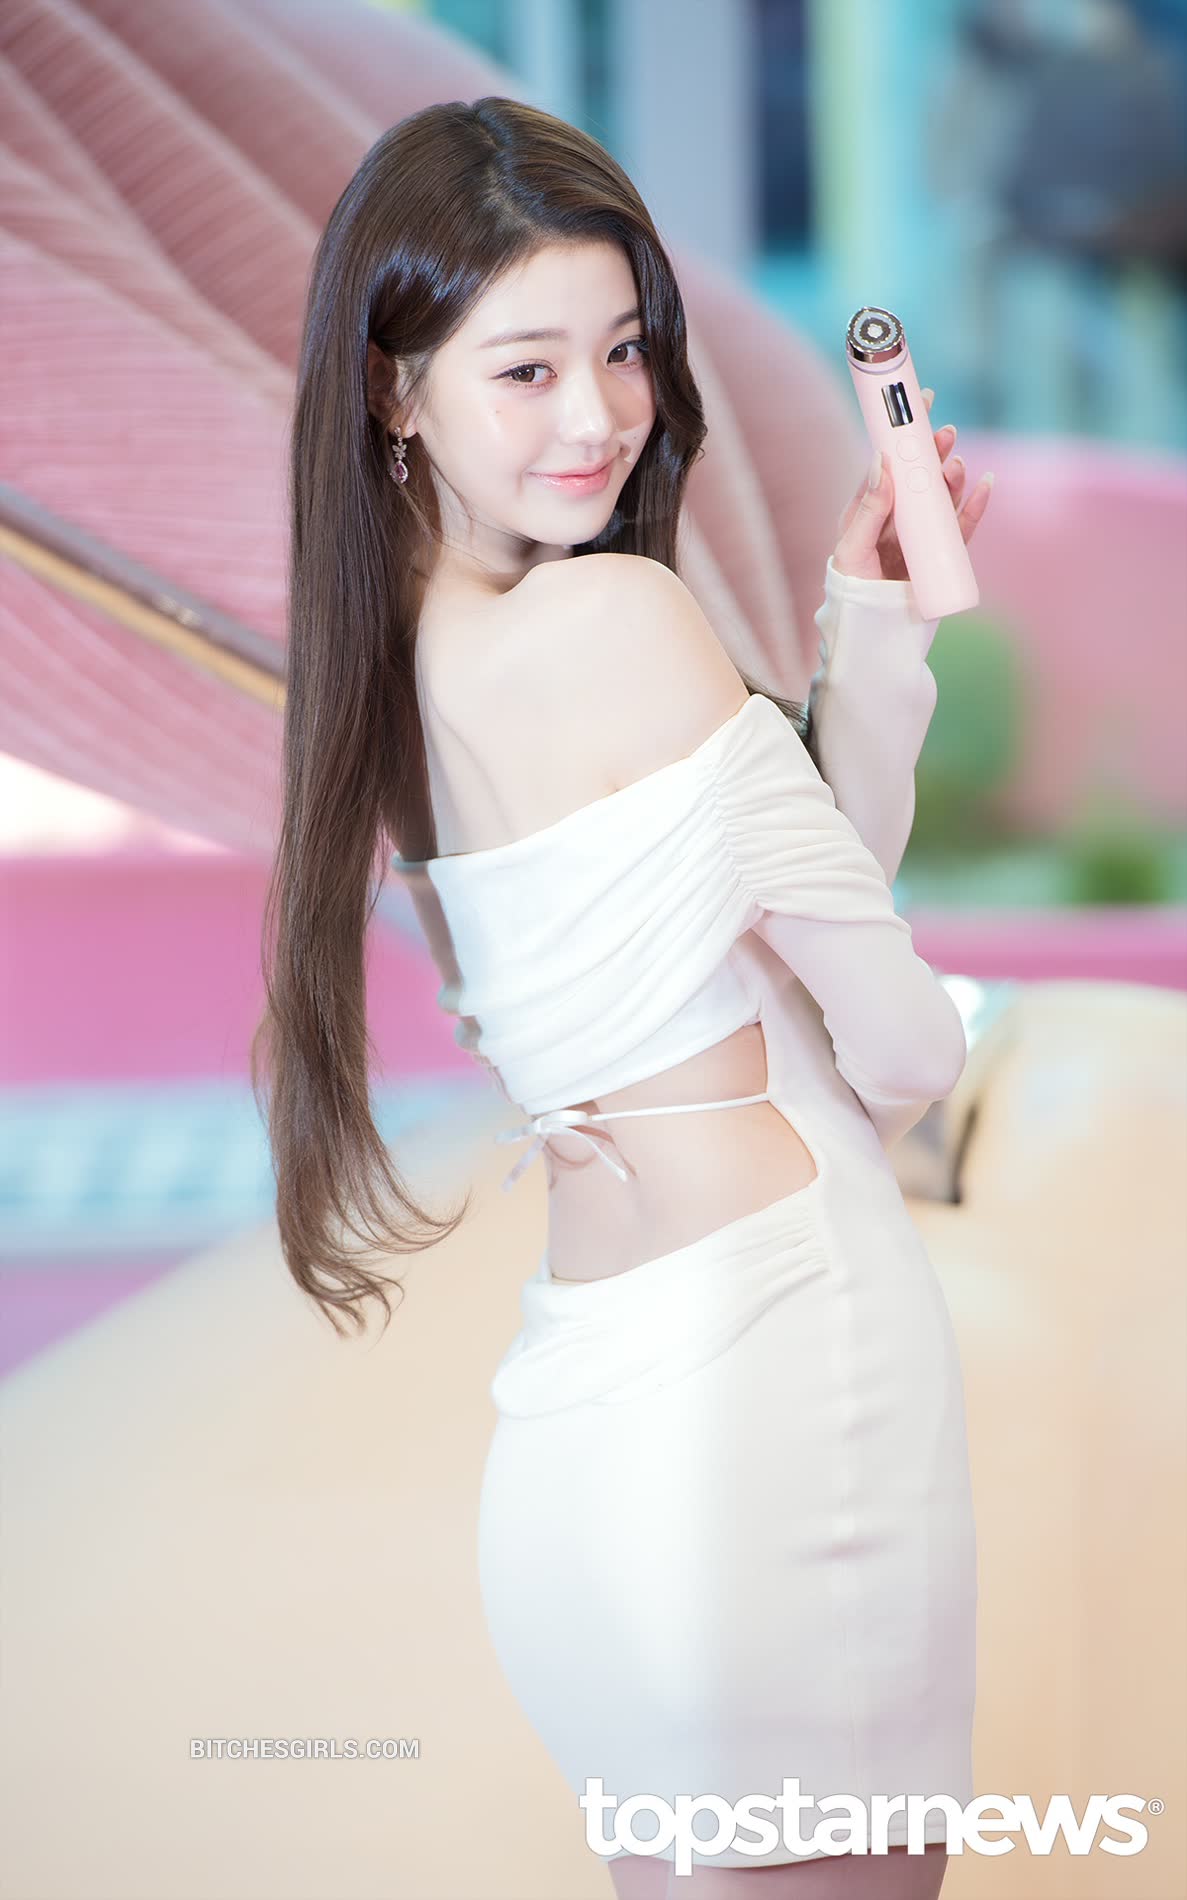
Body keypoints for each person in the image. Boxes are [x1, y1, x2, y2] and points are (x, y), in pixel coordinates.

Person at [252, 96, 994, 1896]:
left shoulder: (393, 690)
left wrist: (866, 636)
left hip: (593, 1443)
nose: (596, 415)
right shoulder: (617, 620)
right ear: (394, 387)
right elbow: (897, 1036)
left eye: (623, 349)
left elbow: (741, 923)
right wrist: (895, 1045)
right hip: (781, 1387)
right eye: (525, 369)